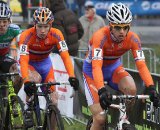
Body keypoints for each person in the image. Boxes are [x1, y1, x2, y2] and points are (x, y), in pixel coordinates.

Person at [82, 3, 159, 130]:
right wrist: (101, 89)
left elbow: (141, 65)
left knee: (131, 89)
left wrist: (151, 87)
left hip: (113, 69)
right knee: (100, 119)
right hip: (92, 72)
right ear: (111, 26)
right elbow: (96, 66)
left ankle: (124, 120)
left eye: (125, 27)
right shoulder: (99, 37)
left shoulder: (133, 39)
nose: (122, 32)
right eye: (118, 27)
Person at [17, 7, 79, 128]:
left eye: (46, 26)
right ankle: (27, 108)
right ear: (34, 24)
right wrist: (26, 81)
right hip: (29, 64)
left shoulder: (57, 34)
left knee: (54, 101)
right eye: (39, 26)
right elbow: (23, 60)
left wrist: (72, 76)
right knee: (36, 79)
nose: (43, 30)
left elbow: (65, 56)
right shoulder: (26, 36)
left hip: (45, 64)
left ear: (51, 25)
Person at [0, 1, 22, 93]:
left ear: (9, 21)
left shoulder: (14, 29)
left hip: (4, 58)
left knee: (17, 73)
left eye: (4, 21)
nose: (1, 25)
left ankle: (13, 100)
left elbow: (22, 44)